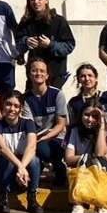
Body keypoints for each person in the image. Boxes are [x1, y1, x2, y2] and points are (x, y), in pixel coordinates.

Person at [0, 90, 42, 213]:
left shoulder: (28, 123)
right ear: (3, 105)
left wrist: (22, 168)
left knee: (35, 160)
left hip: (24, 177)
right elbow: (2, 148)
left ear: (21, 108)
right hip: (3, 173)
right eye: (8, 104)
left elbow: (31, 147)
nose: (12, 109)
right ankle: (3, 197)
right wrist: (20, 167)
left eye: (16, 106)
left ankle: (32, 197)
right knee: (5, 158)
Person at [15, 0, 76, 90]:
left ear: (46, 0)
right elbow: (16, 45)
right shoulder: (26, 22)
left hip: (55, 75)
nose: (36, 2)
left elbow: (69, 46)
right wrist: (26, 42)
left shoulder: (59, 21)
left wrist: (50, 44)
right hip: (34, 76)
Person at [65, 103, 107, 213]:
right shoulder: (74, 130)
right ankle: (78, 205)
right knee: (90, 161)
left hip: (98, 170)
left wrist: (102, 124)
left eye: (94, 116)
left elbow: (99, 153)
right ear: (81, 115)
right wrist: (88, 157)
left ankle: (101, 207)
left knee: (99, 162)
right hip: (78, 169)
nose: (90, 119)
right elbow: (69, 158)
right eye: (86, 115)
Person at [22, 57, 68, 187]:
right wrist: (36, 139)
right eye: (34, 70)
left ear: (47, 75)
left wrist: (44, 138)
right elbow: (29, 126)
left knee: (47, 149)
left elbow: (60, 124)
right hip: (34, 137)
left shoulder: (57, 94)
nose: (38, 73)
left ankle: (59, 170)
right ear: (29, 74)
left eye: (42, 71)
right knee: (39, 150)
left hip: (55, 136)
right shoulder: (25, 98)